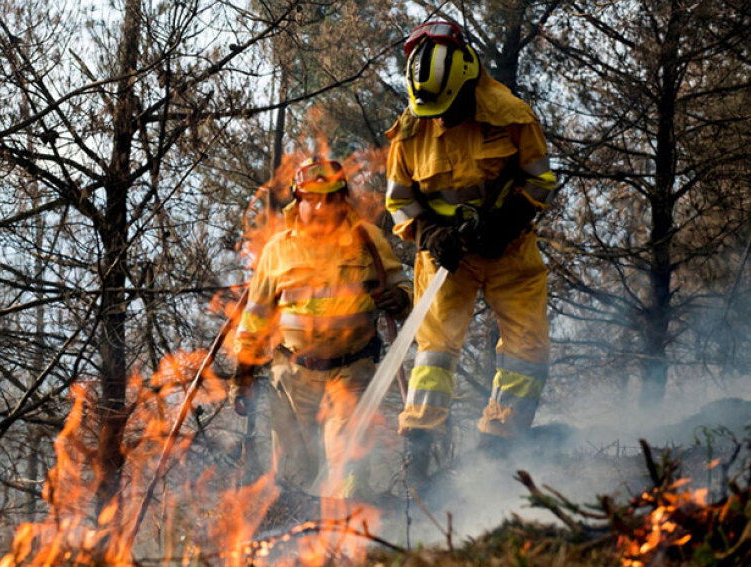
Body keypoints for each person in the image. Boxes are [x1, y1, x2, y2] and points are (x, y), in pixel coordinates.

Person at [383, 21, 557, 485]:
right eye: (430, 110)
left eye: (448, 107)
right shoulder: (409, 130)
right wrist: (428, 233)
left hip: (509, 251)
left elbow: (541, 180)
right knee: (433, 354)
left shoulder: (511, 116)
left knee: (527, 348)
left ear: (467, 82)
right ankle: (418, 456)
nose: (439, 118)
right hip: (445, 258)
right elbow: (399, 200)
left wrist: (504, 224)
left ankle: (499, 448)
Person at [229, 156, 413, 499]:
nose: (321, 206)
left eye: (330, 197)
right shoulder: (277, 250)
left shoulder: (368, 240)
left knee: (347, 470)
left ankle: (349, 537)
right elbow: (254, 318)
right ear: (297, 199)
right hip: (292, 378)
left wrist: (399, 299)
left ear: (343, 198)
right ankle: (300, 544)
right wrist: (243, 377)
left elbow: (403, 288)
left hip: (350, 372)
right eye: (312, 197)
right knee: (293, 478)